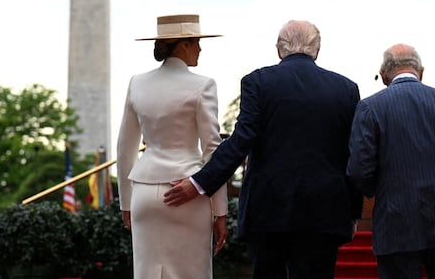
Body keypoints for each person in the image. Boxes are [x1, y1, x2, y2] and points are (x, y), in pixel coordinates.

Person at [163, 20, 362, 279]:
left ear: (279, 50)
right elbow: (353, 154)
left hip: (268, 209)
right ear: (317, 50)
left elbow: (241, 141)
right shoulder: (346, 89)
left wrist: (199, 182)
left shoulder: (257, 82)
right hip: (325, 211)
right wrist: (353, 210)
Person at [347, 43, 435, 279]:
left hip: (395, 222)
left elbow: (359, 170)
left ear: (383, 75)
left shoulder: (370, 108)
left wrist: (379, 190)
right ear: (421, 71)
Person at [116, 14, 228, 279]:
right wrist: (221, 210)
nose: (201, 48)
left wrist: (126, 203)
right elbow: (213, 150)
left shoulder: (136, 83)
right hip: (187, 194)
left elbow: (124, 148)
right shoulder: (203, 85)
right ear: (183, 45)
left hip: (143, 194)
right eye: (197, 41)